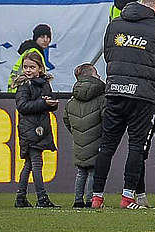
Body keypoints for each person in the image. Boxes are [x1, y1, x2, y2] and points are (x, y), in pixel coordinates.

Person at [92, 0, 155, 209]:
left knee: (107, 145)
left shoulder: (115, 25)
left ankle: (96, 196)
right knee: (135, 145)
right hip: (143, 96)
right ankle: (127, 197)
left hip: (115, 91)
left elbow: (109, 55)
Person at [13, 49, 57, 208]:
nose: (28, 70)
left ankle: (21, 198)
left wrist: (51, 104)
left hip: (40, 128)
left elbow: (47, 104)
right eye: (26, 67)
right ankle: (42, 198)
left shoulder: (45, 84)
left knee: (30, 164)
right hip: (29, 130)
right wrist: (44, 103)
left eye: (31, 67)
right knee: (37, 163)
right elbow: (22, 106)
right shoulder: (24, 85)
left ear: (40, 68)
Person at [66, 62, 105, 208]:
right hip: (96, 140)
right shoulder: (102, 98)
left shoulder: (72, 99)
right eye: (97, 74)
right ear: (92, 76)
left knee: (81, 172)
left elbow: (66, 118)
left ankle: (77, 200)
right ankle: (90, 200)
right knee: (92, 172)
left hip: (78, 140)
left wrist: (76, 132)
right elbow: (106, 118)